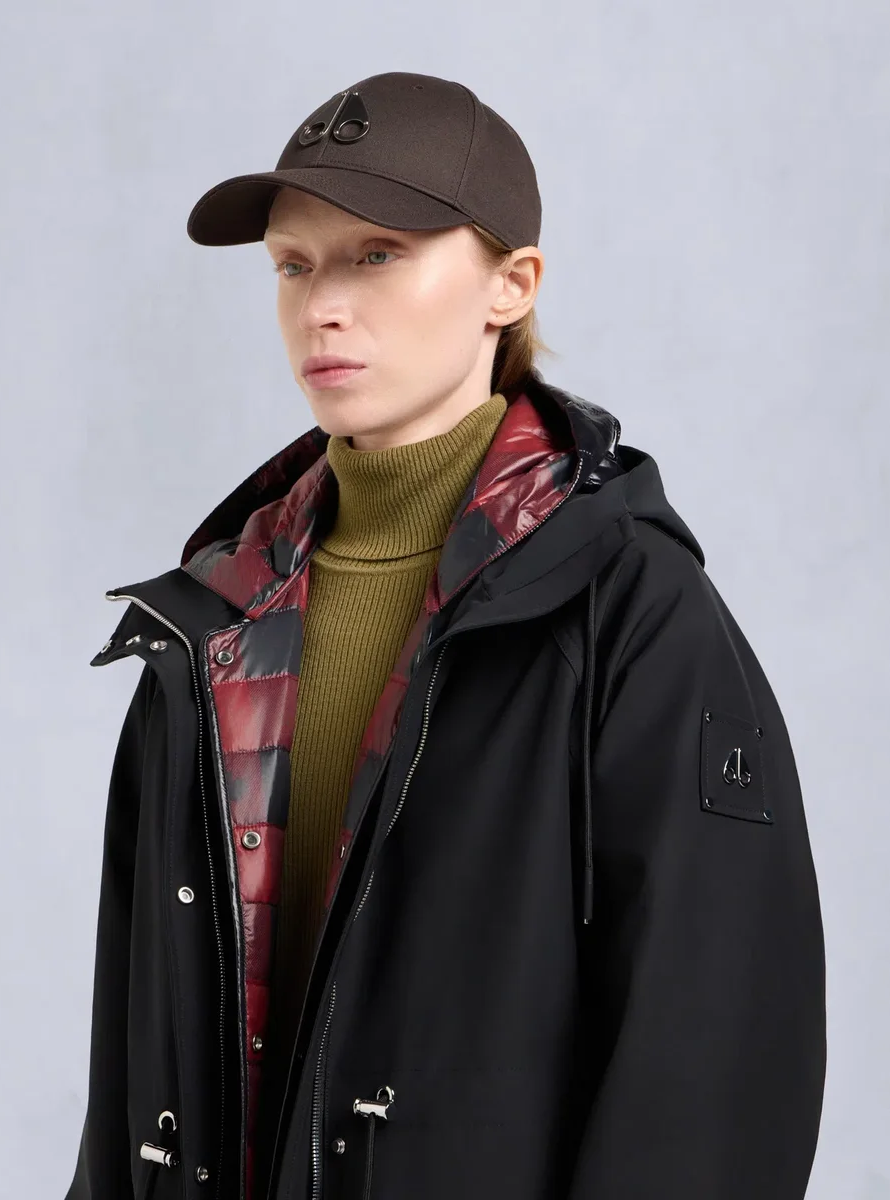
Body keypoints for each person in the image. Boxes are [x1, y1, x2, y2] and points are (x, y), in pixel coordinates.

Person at [64, 71, 826, 1200]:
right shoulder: (209, 626)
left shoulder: (626, 610)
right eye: (292, 264)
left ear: (510, 285)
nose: (322, 305)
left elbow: (713, 1070)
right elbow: (132, 1068)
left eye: (377, 254)